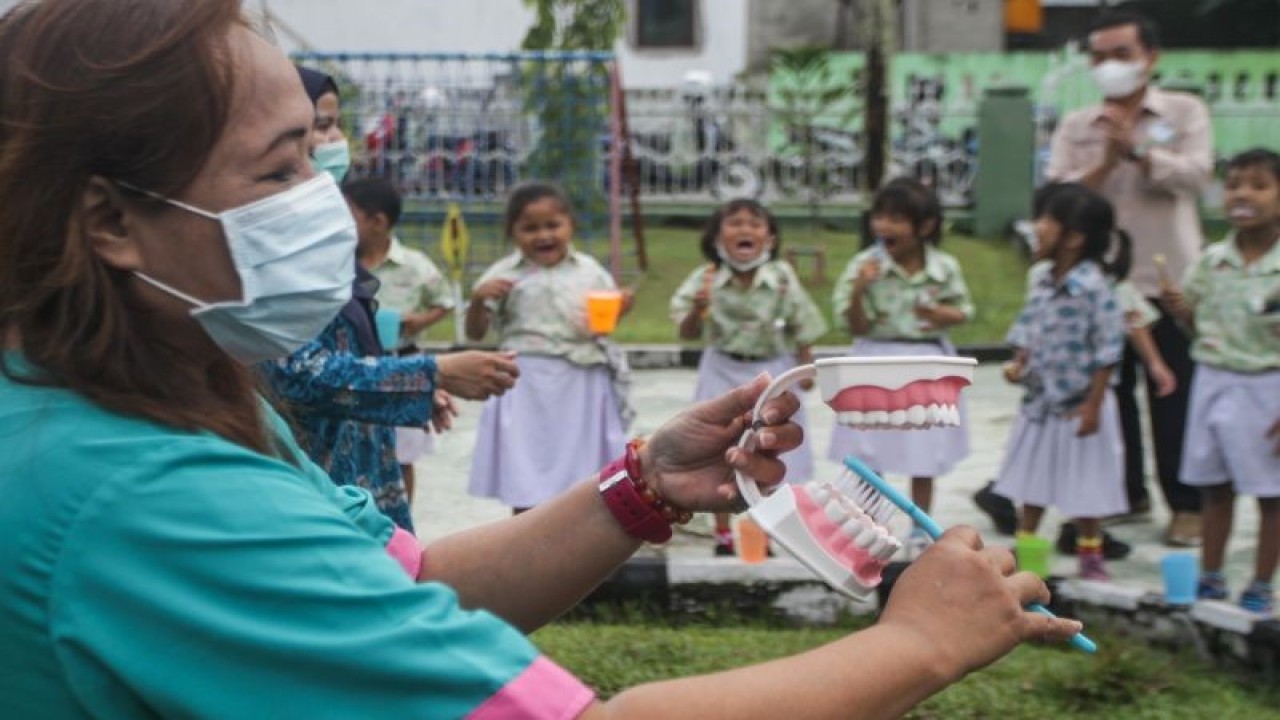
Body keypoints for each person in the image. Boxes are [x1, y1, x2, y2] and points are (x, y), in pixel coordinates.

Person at [0, 2, 1087, 716]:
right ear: (110, 218)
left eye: (320, 156)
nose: (325, 207)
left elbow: (403, 586)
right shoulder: (149, 497)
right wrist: (920, 644)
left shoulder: (138, 387)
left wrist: (638, 491)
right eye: (279, 171)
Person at [263, 66, 514, 532]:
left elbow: (348, 351)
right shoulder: (270, 242)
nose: (337, 139)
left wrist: (405, 385)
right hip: (313, 474)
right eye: (321, 126)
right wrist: (429, 373)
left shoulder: (324, 234)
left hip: (361, 465)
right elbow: (296, 374)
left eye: (337, 123)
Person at [1045, 9, 1213, 546]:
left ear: (1150, 58)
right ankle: (1125, 493)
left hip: (1169, 282)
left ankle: (1185, 504)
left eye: (1121, 55)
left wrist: (1139, 152)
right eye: (1099, 57)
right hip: (1100, 287)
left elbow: (1197, 175)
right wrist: (1105, 160)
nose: (1109, 67)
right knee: (1109, 396)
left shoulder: (1184, 112)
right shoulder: (1078, 125)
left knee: (1173, 395)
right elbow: (1056, 198)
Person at [669, 198, 828, 557]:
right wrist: (697, 308)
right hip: (722, 368)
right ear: (716, 237)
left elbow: (802, 321)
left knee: (771, 447)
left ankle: (765, 532)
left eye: (755, 224)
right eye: (734, 223)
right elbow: (688, 331)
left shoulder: (782, 276)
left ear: (769, 238)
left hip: (771, 371)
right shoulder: (705, 278)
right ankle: (723, 533)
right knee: (721, 447)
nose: (744, 230)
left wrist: (806, 369)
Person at [465, 182, 634, 514]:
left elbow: (603, 322)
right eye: (530, 228)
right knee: (526, 466)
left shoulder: (589, 271)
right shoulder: (503, 276)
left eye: (552, 225)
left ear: (570, 225)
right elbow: (475, 333)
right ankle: (528, 538)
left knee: (583, 470)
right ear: (513, 233)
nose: (543, 235)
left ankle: (581, 546)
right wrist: (477, 299)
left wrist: (621, 306)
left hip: (580, 380)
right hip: (525, 384)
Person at [1161, 148, 1280, 615]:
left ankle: (1261, 581)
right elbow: (1199, 324)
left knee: (1271, 492)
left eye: (1258, 184)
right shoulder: (1210, 262)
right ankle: (1210, 575)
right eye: (1233, 185)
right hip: (1212, 382)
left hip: (1267, 385)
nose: (1242, 195)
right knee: (1213, 486)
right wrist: (1181, 312)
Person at [829, 178, 973, 558]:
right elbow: (853, 325)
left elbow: (963, 311)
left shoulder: (944, 266)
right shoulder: (864, 265)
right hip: (874, 359)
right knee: (870, 448)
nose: (883, 227)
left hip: (926, 361)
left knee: (921, 448)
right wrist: (860, 289)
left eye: (896, 219)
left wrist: (942, 313)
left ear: (925, 226)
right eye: (879, 217)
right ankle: (868, 527)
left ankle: (921, 529)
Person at [994, 184, 1129, 581]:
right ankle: (1027, 553)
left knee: (1085, 485)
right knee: (1031, 480)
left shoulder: (1095, 288)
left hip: (1080, 403)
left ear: (1073, 237)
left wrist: (1093, 406)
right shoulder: (1040, 278)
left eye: (1045, 220)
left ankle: (1091, 555)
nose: (1036, 227)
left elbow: (1108, 351)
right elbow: (1029, 327)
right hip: (1041, 401)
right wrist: (1020, 360)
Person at [345, 176, 456, 502]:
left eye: (346, 214)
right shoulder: (341, 263)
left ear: (378, 221)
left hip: (401, 358)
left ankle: (401, 517)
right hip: (358, 364)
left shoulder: (414, 264)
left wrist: (419, 321)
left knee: (402, 453)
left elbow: (444, 302)